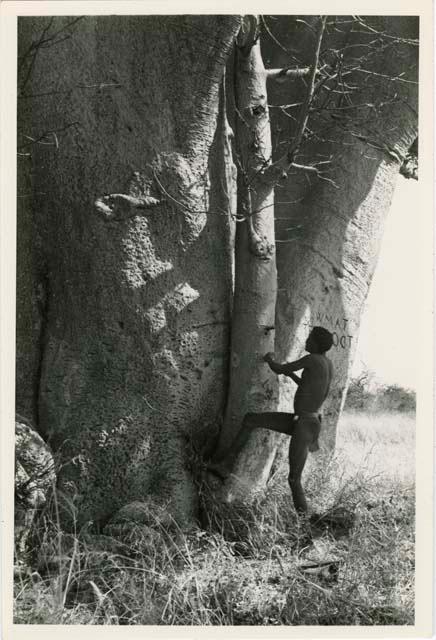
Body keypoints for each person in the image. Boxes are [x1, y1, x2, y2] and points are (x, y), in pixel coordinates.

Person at [208, 326, 334, 516]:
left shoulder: (312, 359)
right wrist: (291, 375)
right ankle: (226, 464)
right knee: (251, 419)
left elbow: (279, 368)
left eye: (309, 339)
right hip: (305, 421)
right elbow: (311, 386)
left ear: (316, 343)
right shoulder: (326, 363)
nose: (306, 341)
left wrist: (268, 358)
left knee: (294, 479)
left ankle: (305, 524)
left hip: (304, 424)